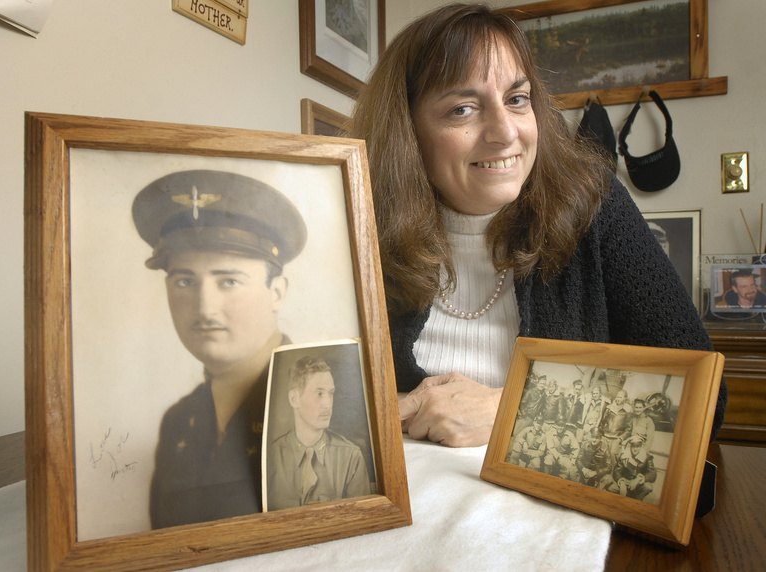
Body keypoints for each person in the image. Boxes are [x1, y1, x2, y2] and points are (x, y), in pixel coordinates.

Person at [348, 3, 726, 447]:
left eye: (516, 99)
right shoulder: (360, 227)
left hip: (561, 510)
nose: (505, 132)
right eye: (463, 109)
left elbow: (706, 401)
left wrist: (513, 409)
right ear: (406, 130)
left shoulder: (594, 205)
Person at [132, 169, 307, 529]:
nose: (204, 308)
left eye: (228, 281)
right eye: (184, 281)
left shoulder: (322, 403)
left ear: (277, 293)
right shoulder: (179, 421)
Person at [266, 356, 371, 510]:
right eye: (319, 394)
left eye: (331, 393)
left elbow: (362, 518)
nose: (328, 404)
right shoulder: (271, 456)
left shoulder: (350, 457)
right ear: (294, 399)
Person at [599, 436, 657, 501]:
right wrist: (621, 481)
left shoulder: (646, 457)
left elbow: (653, 474)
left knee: (648, 487)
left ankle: (636, 501)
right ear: (630, 446)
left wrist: (640, 478)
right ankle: (621, 499)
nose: (635, 449)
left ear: (641, 446)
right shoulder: (624, 455)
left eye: (637, 446)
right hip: (626, 482)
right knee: (611, 487)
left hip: (638, 485)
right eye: (633, 446)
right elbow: (617, 471)